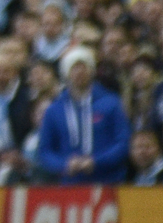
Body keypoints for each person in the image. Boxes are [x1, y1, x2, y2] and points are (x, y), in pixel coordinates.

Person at [37, 46, 131, 184]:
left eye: (84, 67)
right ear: (66, 73)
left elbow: (123, 142)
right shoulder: (54, 110)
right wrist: (64, 164)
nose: (79, 72)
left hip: (109, 182)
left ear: (92, 71)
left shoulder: (111, 103)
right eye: (74, 68)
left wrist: (97, 162)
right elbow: (45, 151)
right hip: (70, 186)